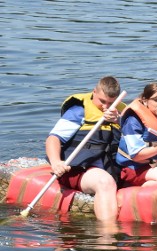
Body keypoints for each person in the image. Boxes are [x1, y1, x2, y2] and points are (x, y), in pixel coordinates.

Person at [45, 76, 125, 221]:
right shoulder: (78, 111)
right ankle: (107, 237)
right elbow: (53, 139)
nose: (106, 107)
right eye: (102, 101)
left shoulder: (122, 113)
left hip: (112, 166)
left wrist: (119, 120)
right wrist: (56, 162)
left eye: (111, 103)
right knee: (105, 182)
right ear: (94, 92)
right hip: (79, 169)